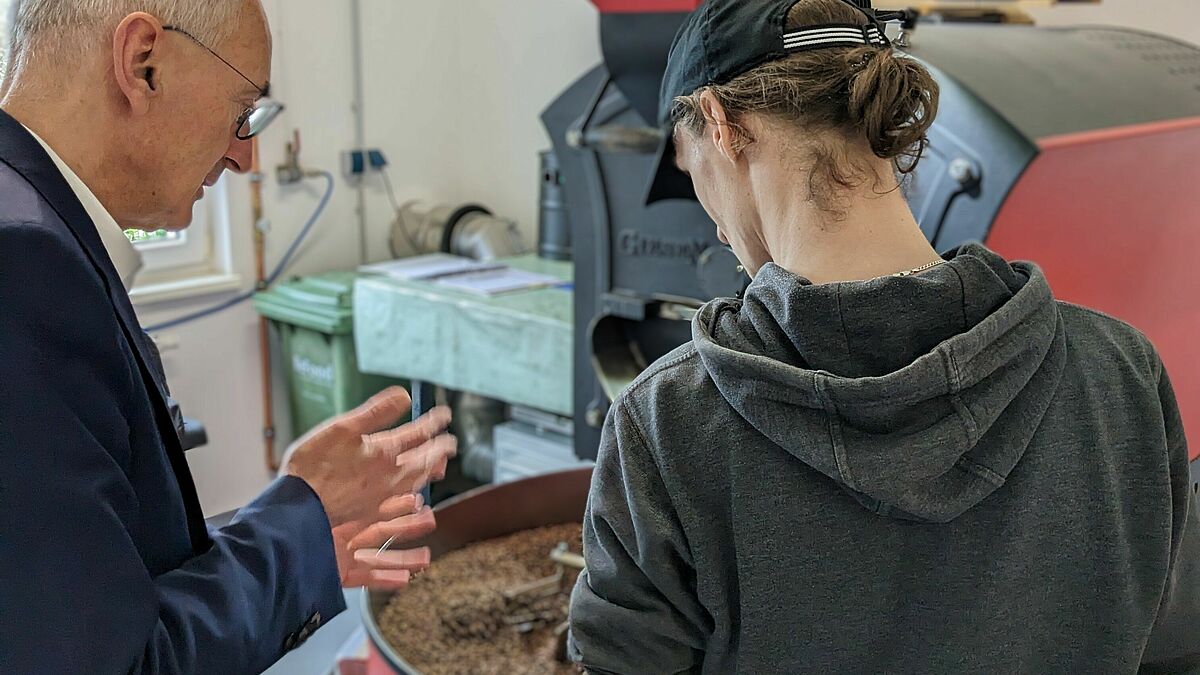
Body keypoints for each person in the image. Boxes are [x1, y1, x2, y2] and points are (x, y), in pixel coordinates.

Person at [568, 0, 1200, 672]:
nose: (719, 229)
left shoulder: (667, 423)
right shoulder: (1121, 376)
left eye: (690, 170)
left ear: (721, 127)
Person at [0, 1, 456, 673]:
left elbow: (80, 580)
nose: (245, 155)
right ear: (141, 62)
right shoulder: (23, 264)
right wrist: (300, 514)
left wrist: (296, 538)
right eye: (244, 110)